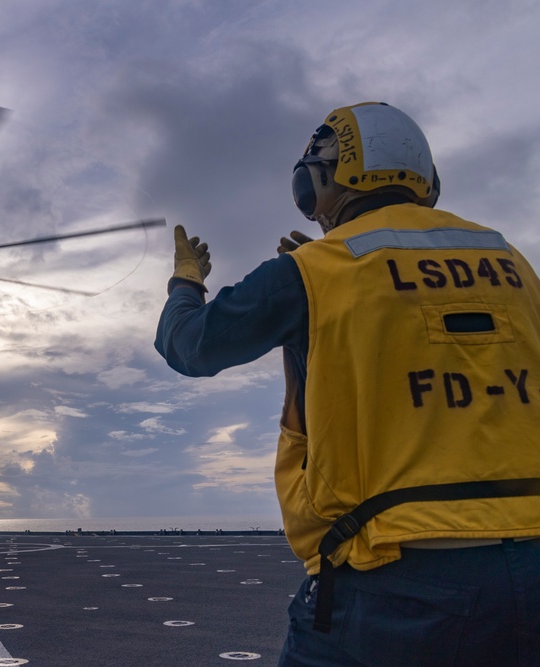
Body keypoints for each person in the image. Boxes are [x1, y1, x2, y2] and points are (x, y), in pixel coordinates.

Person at [155, 102, 540, 666]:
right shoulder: (514, 264)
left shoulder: (316, 270)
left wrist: (186, 282)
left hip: (396, 580)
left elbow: (190, 347)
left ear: (323, 180)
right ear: (427, 184)